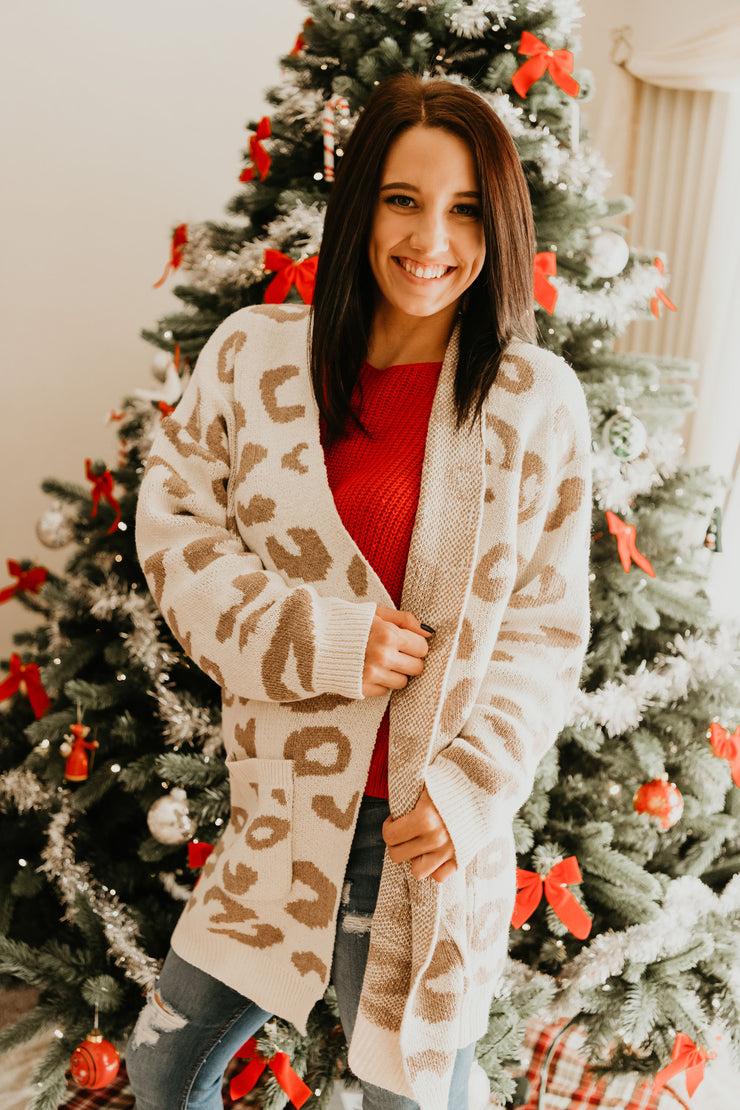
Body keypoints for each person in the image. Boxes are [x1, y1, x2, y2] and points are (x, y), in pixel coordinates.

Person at [127, 73, 592, 1110]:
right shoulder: (255, 359)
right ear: (358, 206)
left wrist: (471, 784)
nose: (431, 237)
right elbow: (175, 525)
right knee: (164, 1066)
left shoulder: (533, 403)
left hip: (419, 842)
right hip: (277, 824)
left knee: (410, 1098)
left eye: (464, 209)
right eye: (401, 198)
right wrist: (309, 636)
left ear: (497, 225)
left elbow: (545, 631)